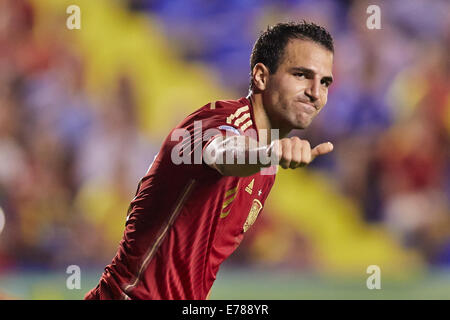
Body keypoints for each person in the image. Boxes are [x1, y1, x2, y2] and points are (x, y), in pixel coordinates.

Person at [85, 21, 335, 300]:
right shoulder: (218, 121)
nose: (316, 93)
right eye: (301, 75)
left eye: (324, 82)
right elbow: (223, 152)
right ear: (262, 77)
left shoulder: (267, 166)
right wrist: (269, 153)